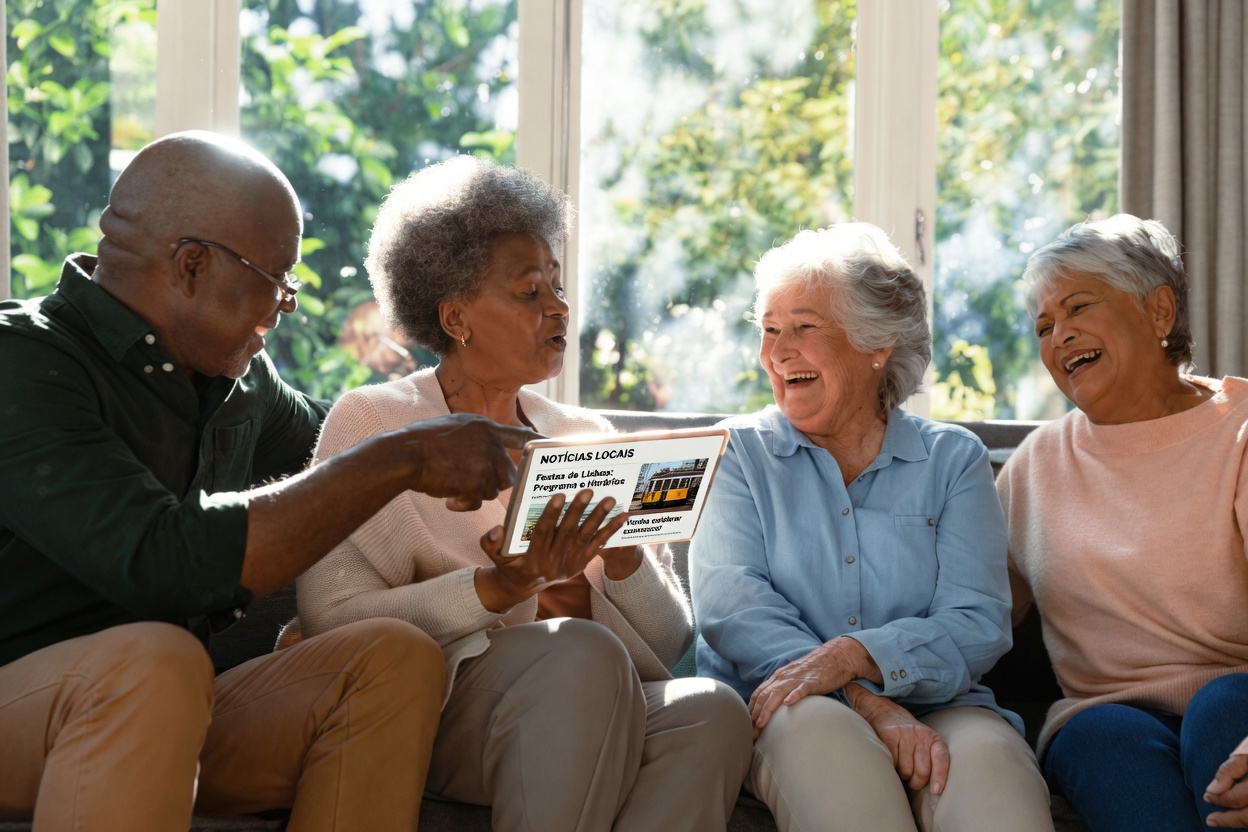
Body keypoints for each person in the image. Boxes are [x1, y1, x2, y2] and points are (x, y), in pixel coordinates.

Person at [0, 131, 540, 831]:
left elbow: (349, 442)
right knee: (157, 662)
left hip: (170, 707)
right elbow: (164, 561)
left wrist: (494, 424)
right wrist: (405, 455)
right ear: (192, 264)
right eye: (278, 276)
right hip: (32, 702)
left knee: (389, 657)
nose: (287, 303)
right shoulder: (24, 364)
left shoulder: (239, 380)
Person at [294, 155, 753, 832]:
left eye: (558, 288)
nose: (558, 307)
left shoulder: (585, 433)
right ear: (456, 317)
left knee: (711, 709)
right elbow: (330, 614)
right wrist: (498, 588)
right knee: (579, 651)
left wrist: (625, 560)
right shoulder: (377, 423)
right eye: (529, 292)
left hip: (597, 697)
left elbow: (670, 639)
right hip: (441, 707)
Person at [690, 223, 1054, 832]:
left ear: (877, 343)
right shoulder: (736, 453)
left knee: (996, 787)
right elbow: (733, 609)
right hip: (790, 700)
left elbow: (977, 620)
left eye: (804, 327)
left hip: (944, 702)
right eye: (770, 330)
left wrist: (860, 655)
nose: (778, 351)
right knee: (839, 771)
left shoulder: (952, 460)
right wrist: (862, 695)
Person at [997, 213, 1248, 831]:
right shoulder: (1036, 465)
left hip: (1239, 699)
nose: (1060, 336)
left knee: (1222, 709)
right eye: (1044, 326)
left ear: (1159, 311)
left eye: (1080, 307)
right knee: (1100, 736)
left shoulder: (1239, 435)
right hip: (1102, 714)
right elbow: (971, 613)